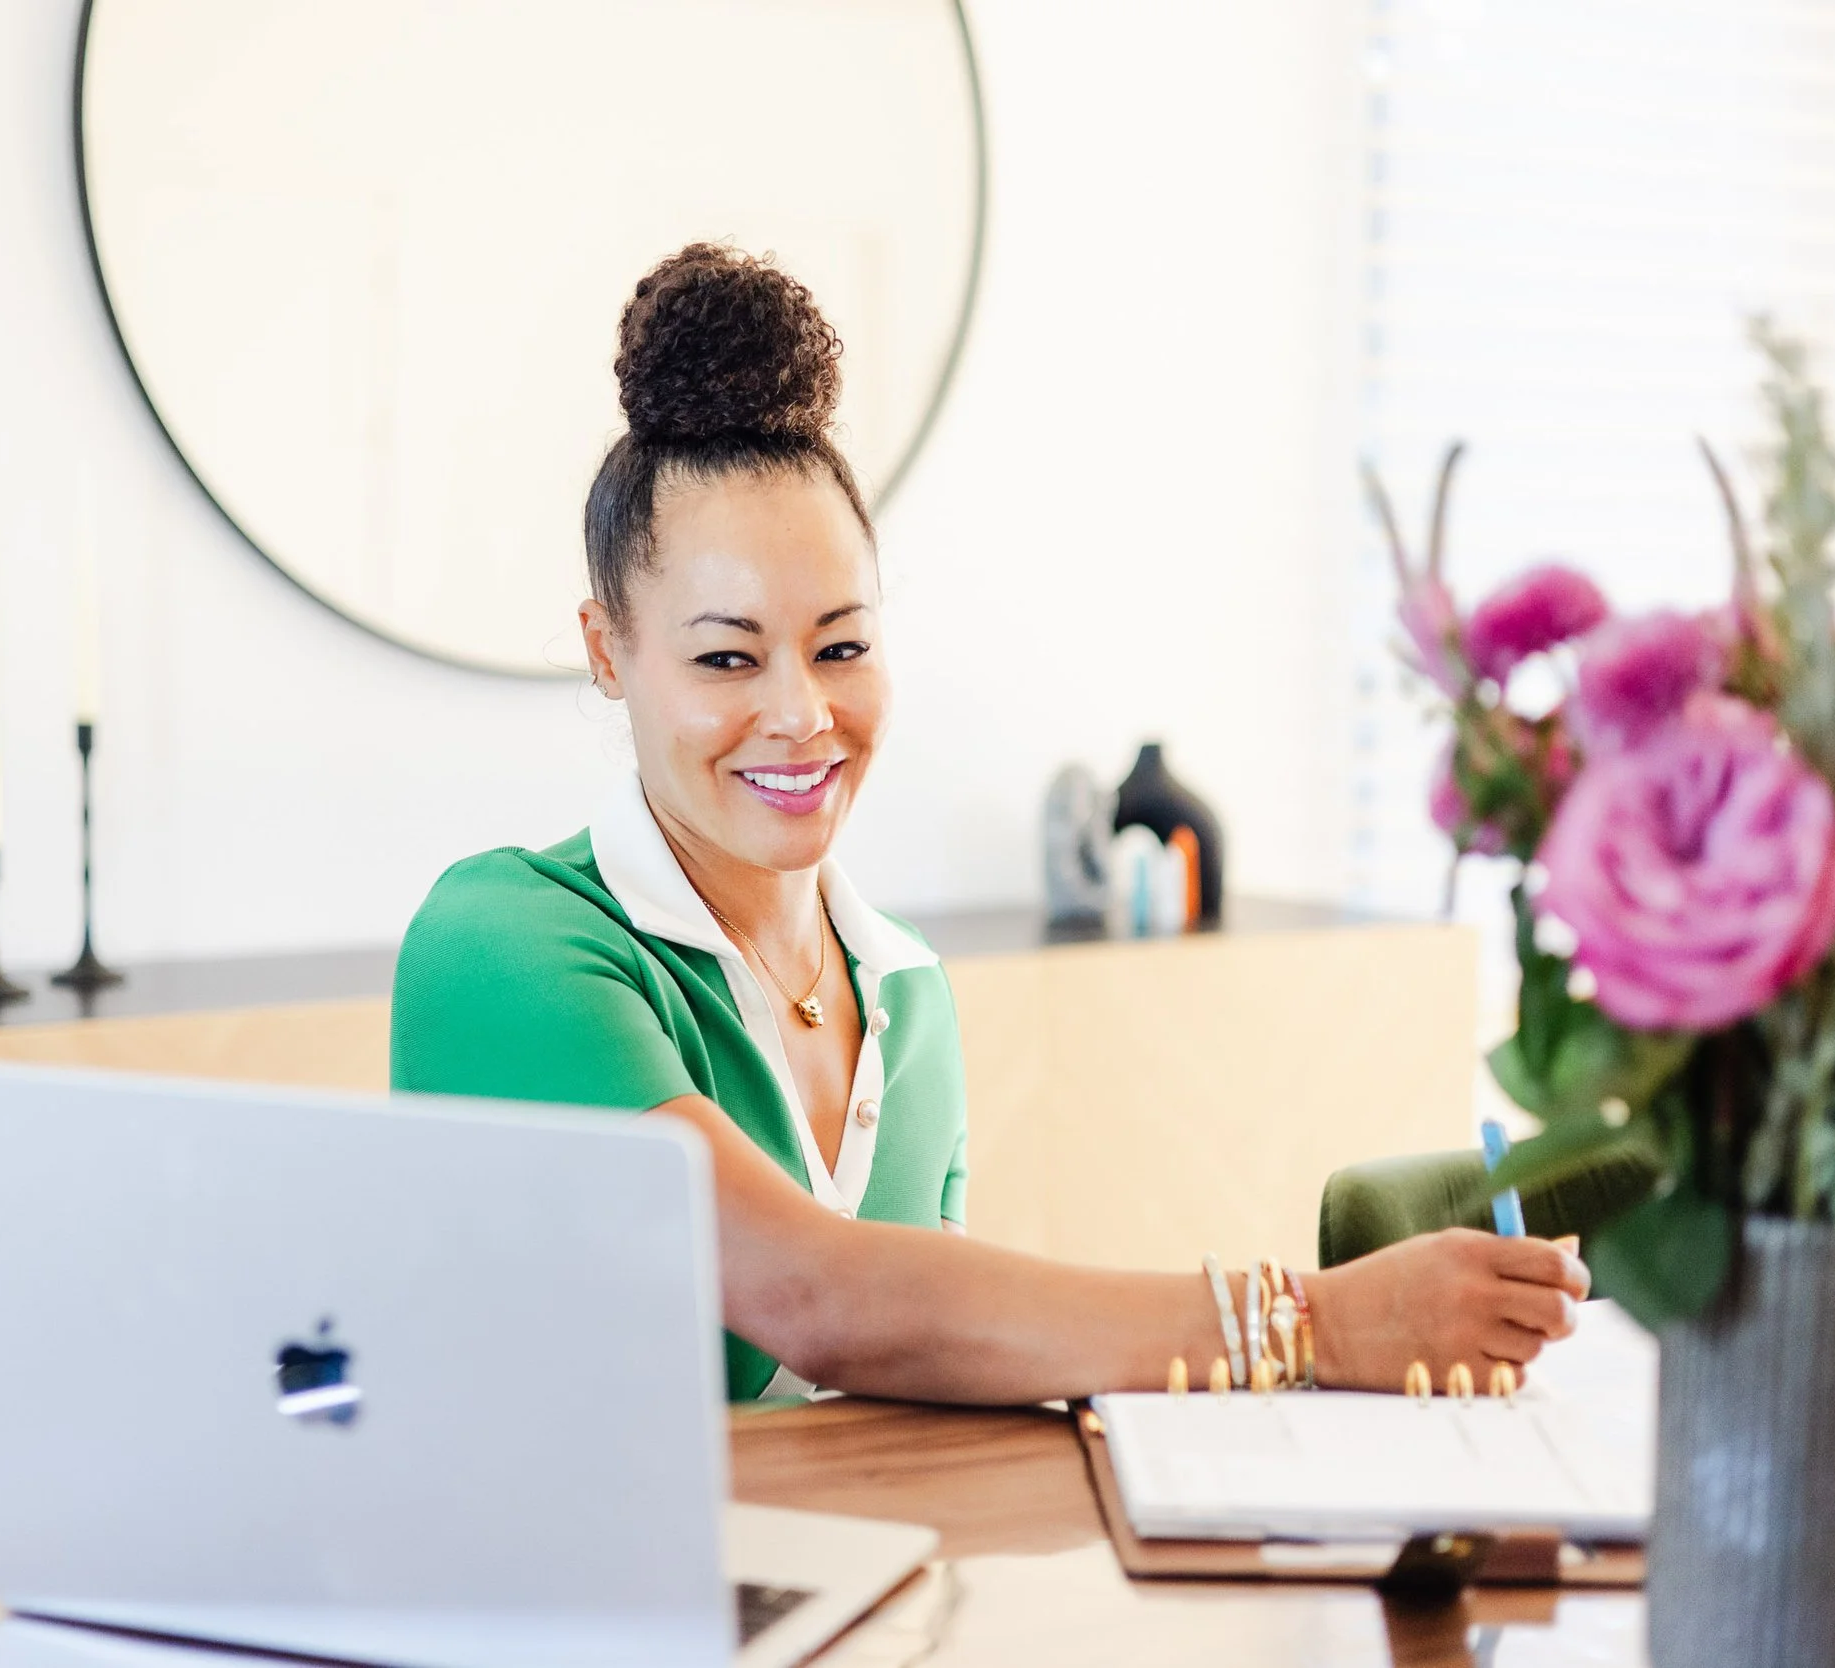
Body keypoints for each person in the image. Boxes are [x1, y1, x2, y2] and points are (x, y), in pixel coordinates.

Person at [391, 243, 1586, 1404]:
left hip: (856, 1591)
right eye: (725, 656)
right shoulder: (506, 945)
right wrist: (1313, 1324)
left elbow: (934, 1364)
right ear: (610, 652)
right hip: (589, 1603)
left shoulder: (904, 993)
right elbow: (815, 1300)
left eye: (841, 646)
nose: (801, 714)